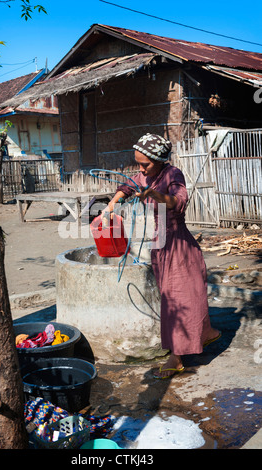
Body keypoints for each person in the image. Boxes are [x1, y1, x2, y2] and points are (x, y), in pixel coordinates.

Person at [103, 133, 221, 379]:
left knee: (179, 298)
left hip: (179, 245)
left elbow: (179, 201)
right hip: (160, 244)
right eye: (138, 163)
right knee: (183, 295)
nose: (140, 168)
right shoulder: (145, 175)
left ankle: (176, 357)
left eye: (145, 164)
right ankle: (206, 333)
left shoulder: (172, 174)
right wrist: (111, 205)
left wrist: (153, 195)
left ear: (159, 160)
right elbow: (127, 186)